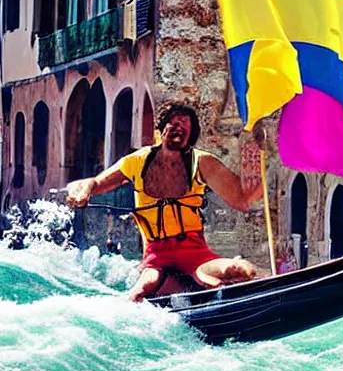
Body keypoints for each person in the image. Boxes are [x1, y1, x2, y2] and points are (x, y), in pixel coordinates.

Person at [66, 102, 265, 302]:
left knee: (241, 269)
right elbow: (95, 182)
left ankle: (229, 284)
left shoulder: (202, 162)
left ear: (191, 136)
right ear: (161, 130)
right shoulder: (136, 161)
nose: (179, 127)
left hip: (194, 252)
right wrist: (82, 191)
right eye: (174, 122)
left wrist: (256, 180)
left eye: (185, 125)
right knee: (140, 290)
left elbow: (241, 200)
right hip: (156, 257)